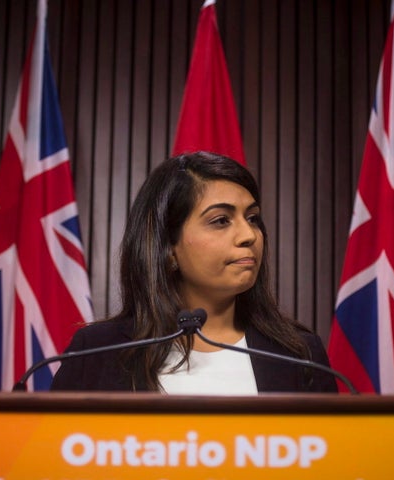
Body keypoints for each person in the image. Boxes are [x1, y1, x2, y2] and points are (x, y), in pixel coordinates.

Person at [51, 151, 338, 394]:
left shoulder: (299, 354)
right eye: (221, 220)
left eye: (252, 218)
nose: (249, 235)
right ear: (169, 249)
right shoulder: (99, 351)